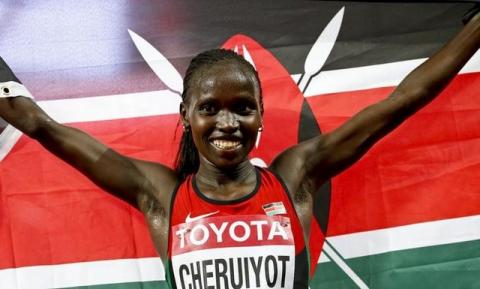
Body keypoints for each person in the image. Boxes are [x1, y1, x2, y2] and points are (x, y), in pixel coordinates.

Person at [1, 8, 480, 289]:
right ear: (186, 115)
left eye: (243, 109)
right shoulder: (160, 194)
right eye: (211, 108)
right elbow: (41, 126)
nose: (227, 123)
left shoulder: (294, 176)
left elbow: (403, 101)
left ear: (262, 117)